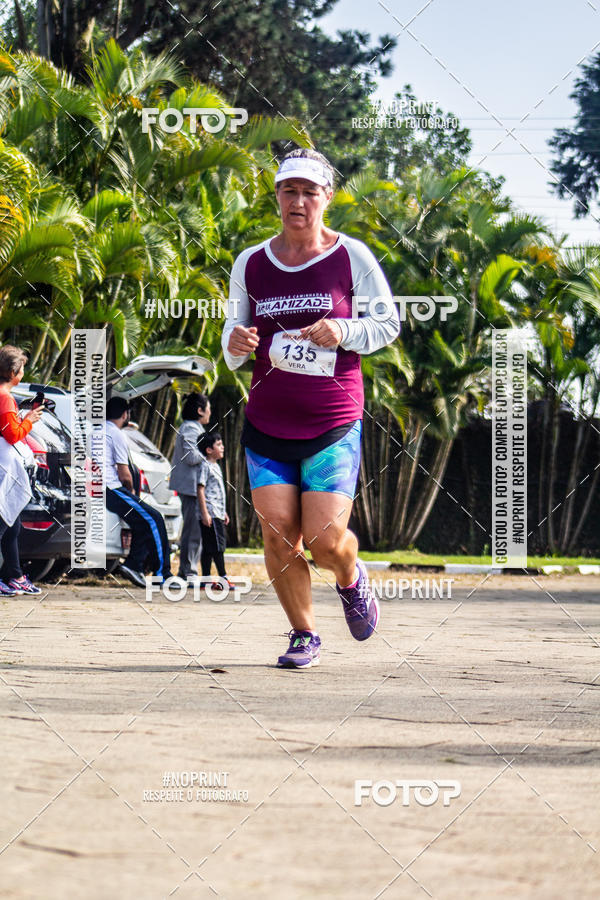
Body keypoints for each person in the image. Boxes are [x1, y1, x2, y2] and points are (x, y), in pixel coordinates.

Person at [222, 147, 400, 668]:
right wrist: (234, 344)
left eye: (308, 192)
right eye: (288, 191)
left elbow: (387, 324)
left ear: (327, 197)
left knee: (324, 540)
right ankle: (304, 634)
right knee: (278, 532)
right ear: (277, 196)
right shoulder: (251, 262)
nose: (297, 201)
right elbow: (233, 341)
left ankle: (350, 575)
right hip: (268, 421)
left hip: (331, 421)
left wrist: (342, 329)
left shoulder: (351, 257)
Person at [104, 396, 172, 589]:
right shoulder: (117, 434)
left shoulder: (97, 431)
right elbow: (124, 473)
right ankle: (163, 574)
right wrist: (131, 491)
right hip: (112, 489)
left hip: (98, 489)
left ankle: (134, 566)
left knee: (142, 521)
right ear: (125, 414)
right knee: (155, 518)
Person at [0, 345, 43, 595]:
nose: (23, 373)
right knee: (4, 522)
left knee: (12, 524)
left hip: (6, 466)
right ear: (13, 371)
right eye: (22, 369)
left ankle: (15, 575)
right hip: (5, 467)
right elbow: (12, 434)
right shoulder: (5, 397)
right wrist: (29, 421)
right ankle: (14, 576)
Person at [169, 392, 211, 581]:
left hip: (194, 488)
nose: (210, 412)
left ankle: (188, 570)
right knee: (193, 532)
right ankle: (188, 572)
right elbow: (192, 457)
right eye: (208, 409)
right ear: (200, 410)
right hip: (191, 488)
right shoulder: (191, 429)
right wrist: (210, 452)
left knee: (195, 531)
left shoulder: (194, 428)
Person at [196, 432, 233, 590]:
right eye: (218, 444)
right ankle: (223, 577)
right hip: (211, 513)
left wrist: (223, 511)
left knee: (209, 547)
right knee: (218, 546)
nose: (222, 447)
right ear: (209, 450)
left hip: (217, 512)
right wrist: (204, 513)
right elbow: (200, 489)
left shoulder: (216, 466)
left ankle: (205, 580)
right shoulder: (205, 466)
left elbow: (217, 491)